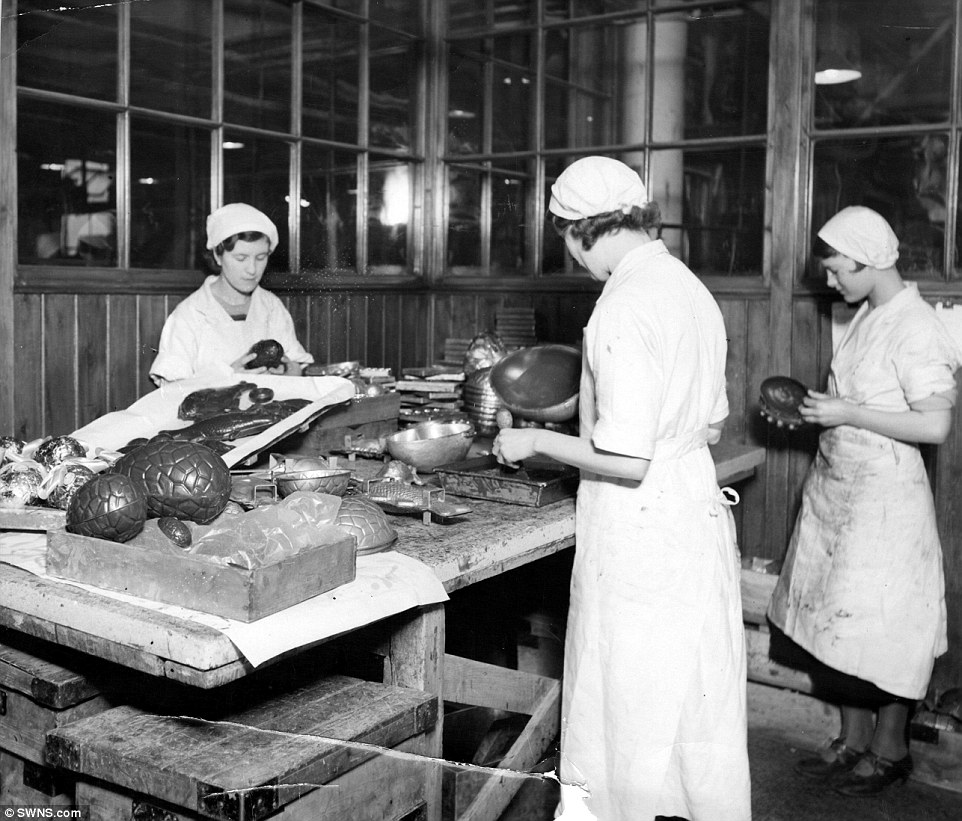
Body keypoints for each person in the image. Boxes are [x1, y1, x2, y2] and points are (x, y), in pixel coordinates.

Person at [492, 156, 751, 821]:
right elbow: (709, 419)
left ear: (577, 229)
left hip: (640, 522)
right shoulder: (686, 286)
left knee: (621, 703)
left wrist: (534, 441)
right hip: (687, 502)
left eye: (565, 238)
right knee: (686, 697)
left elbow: (627, 457)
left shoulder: (623, 305)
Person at [767, 206, 962, 797]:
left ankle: (890, 749)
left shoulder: (916, 325)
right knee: (835, 623)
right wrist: (818, 410)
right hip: (839, 489)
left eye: (836, 271)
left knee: (885, 627)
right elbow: (863, 395)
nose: (830, 283)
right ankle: (852, 741)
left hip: (885, 501)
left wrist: (846, 412)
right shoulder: (870, 315)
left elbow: (935, 427)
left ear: (872, 260)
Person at [149, 203, 313, 384]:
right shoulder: (190, 314)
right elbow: (172, 390)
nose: (252, 269)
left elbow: (297, 364)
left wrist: (290, 372)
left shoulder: (271, 306)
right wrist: (225, 378)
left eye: (261, 257)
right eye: (241, 258)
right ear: (217, 256)